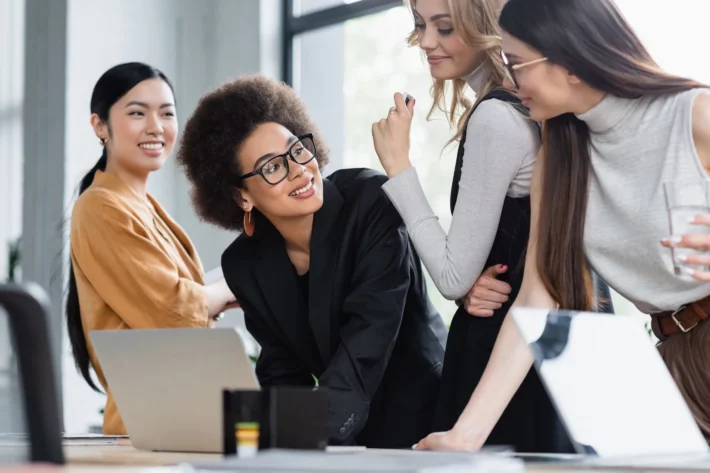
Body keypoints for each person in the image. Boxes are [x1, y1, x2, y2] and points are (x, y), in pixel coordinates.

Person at [415, 0, 710, 451]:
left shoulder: (692, 115)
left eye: (517, 65)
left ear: (569, 61)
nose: (510, 82)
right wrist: (465, 435)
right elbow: (536, 298)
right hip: (672, 355)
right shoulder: (560, 154)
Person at [176, 75, 447, 448]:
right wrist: (267, 440)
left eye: (297, 150)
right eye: (272, 168)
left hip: (425, 419)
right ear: (241, 197)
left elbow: (368, 338)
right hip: (338, 427)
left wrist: (300, 434)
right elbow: (281, 369)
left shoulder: (370, 203)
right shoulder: (244, 264)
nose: (299, 169)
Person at [371, 0, 580, 453]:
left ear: (486, 26)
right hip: (540, 348)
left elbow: (452, 276)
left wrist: (398, 168)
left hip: (504, 357)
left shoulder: (496, 118)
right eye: (420, 25)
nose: (426, 42)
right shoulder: (523, 108)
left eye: (445, 28)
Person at [66, 62, 236, 435]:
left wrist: (221, 290)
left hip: (177, 414)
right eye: (137, 113)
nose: (156, 127)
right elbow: (170, 311)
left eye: (167, 113)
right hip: (148, 424)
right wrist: (228, 291)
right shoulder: (101, 206)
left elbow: (160, 295)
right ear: (99, 126)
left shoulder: (139, 204)